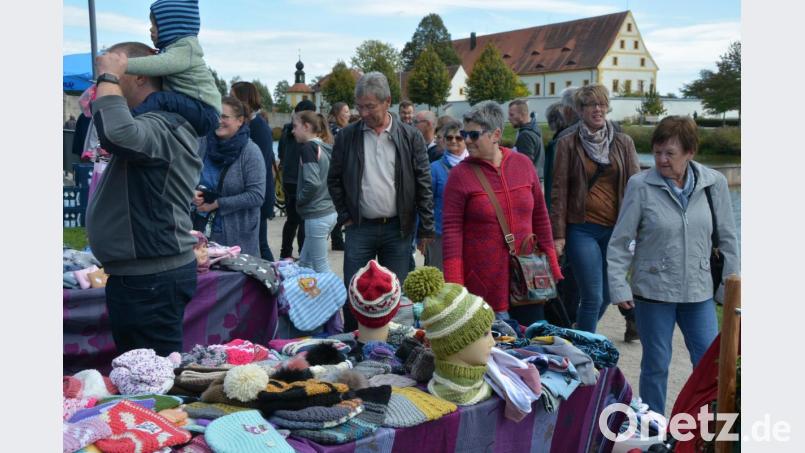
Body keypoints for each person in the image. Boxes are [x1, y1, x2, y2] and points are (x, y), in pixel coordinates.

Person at [607, 115, 739, 414]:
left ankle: (706, 429)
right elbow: (620, 241)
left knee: (709, 363)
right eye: (657, 153)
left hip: (699, 291)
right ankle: (654, 428)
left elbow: (728, 239)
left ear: (690, 152)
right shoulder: (640, 185)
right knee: (656, 363)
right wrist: (618, 285)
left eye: (670, 154)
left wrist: (728, 289)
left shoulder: (713, 183)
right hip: (653, 292)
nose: (662, 160)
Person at [86, 42, 202, 356]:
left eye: (119, 70)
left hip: (151, 279)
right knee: (142, 377)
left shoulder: (164, 124)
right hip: (142, 277)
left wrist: (108, 78)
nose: (104, 78)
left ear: (140, 78)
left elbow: (119, 133)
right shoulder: (155, 122)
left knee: (153, 382)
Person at [328, 71, 435, 332]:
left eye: (370, 107)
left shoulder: (410, 137)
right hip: (360, 227)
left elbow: (423, 183)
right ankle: (354, 343)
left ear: (388, 102)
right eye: (360, 106)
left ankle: (393, 347)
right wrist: (346, 216)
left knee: (394, 295)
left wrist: (426, 228)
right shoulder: (347, 137)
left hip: (397, 230)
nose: (363, 113)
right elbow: (334, 180)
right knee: (354, 292)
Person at [442, 101, 562, 326]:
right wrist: (455, 285)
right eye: (464, 133)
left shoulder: (523, 165)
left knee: (532, 350)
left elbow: (541, 219)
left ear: (496, 134)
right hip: (482, 284)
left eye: (474, 135)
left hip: (528, 282)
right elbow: (452, 234)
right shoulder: (459, 176)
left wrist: (552, 267)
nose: (466, 140)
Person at [550, 84, 640, 334]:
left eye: (601, 104)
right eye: (591, 105)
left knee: (609, 294)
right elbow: (559, 191)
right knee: (592, 295)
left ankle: (579, 332)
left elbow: (637, 186)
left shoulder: (623, 142)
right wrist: (558, 234)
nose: (597, 109)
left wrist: (641, 227)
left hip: (617, 231)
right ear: (580, 110)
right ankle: (587, 355)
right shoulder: (568, 143)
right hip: (583, 229)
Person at [125, 0, 221, 137]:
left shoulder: (186, 48)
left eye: (156, 25)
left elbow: (158, 64)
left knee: (160, 99)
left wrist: (123, 64)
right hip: (196, 109)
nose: (151, 29)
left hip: (205, 112)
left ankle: (128, 121)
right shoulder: (174, 51)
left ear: (172, 26)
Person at [192, 96, 266, 257]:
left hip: (236, 237)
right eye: (216, 115)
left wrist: (217, 203)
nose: (219, 120)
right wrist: (191, 193)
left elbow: (257, 196)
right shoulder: (202, 143)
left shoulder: (251, 152)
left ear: (240, 121)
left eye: (225, 116)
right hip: (200, 233)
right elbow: (185, 177)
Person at [230, 81, 276, 261]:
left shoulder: (258, 128)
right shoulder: (252, 125)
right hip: (255, 196)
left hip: (258, 196)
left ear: (243, 99)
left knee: (260, 246)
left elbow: (260, 167)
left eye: (233, 97)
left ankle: (274, 283)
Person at [292, 111, 337, 272]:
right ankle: (307, 295)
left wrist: (299, 199)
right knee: (305, 263)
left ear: (306, 126)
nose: (292, 131)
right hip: (329, 212)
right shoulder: (323, 147)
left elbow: (312, 183)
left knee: (320, 266)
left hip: (317, 214)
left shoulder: (308, 148)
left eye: (295, 126)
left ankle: (336, 296)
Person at [427, 118, 468, 271]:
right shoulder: (434, 168)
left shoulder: (475, 165)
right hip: (440, 234)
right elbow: (425, 203)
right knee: (440, 281)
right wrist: (422, 233)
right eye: (449, 137)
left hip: (470, 233)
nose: (454, 141)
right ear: (443, 140)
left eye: (458, 137)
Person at [278, 100, 316, 258]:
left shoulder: (287, 130)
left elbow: (280, 153)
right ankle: (303, 254)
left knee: (291, 219)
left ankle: (285, 253)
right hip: (300, 178)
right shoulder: (304, 131)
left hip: (288, 179)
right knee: (303, 220)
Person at [327, 101, 351, 251]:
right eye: (346, 112)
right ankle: (337, 239)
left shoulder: (336, 129)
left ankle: (337, 238)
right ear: (337, 114)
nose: (349, 114)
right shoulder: (337, 131)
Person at [508, 99, 545, 179]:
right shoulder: (535, 129)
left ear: (522, 115)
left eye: (512, 115)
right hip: (538, 179)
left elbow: (525, 165)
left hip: (531, 183)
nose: (509, 118)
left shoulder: (525, 135)